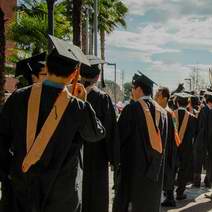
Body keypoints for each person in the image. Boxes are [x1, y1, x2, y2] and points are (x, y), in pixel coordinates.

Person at [0, 35, 105, 212]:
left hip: (22, 189)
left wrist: (10, 173)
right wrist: (84, 102)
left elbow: (2, 140)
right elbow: (95, 134)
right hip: (62, 195)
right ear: (74, 75)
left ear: (46, 66)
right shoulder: (77, 107)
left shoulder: (17, 98)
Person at [113, 72, 170, 211]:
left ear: (139, 89)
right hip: (155, 170)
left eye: (133, 88)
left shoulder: (132, 109)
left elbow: (119, 137)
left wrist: (114, 159)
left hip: (133, 169)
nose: (132, 92)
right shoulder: (162, 112)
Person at [80, 55, 118, 212]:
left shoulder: (70, 94)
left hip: (75, 154)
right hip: (97, 155)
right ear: (97, 76)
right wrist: (113, 157)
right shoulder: (102, 97)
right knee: (96, 195)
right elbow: (110, 130)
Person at [153, 87, 180, 207]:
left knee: (168, 172)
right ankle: (169, 197)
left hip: (168, 147)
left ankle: (170, 198)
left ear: (165, 98)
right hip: (169, 146)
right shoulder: (168, 111)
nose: (155, 97)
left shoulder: (167, 112)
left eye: (158, 95)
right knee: (168, 172)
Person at [172, 92, 197, 201]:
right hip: (186, 148)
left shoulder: (170, 114)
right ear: (188, 104)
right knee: (183, 170)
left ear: (177, 103)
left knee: (171, 169)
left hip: (173, 147)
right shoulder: (192, 117)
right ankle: (180, 192)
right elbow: (195, 133)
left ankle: (168, 193)